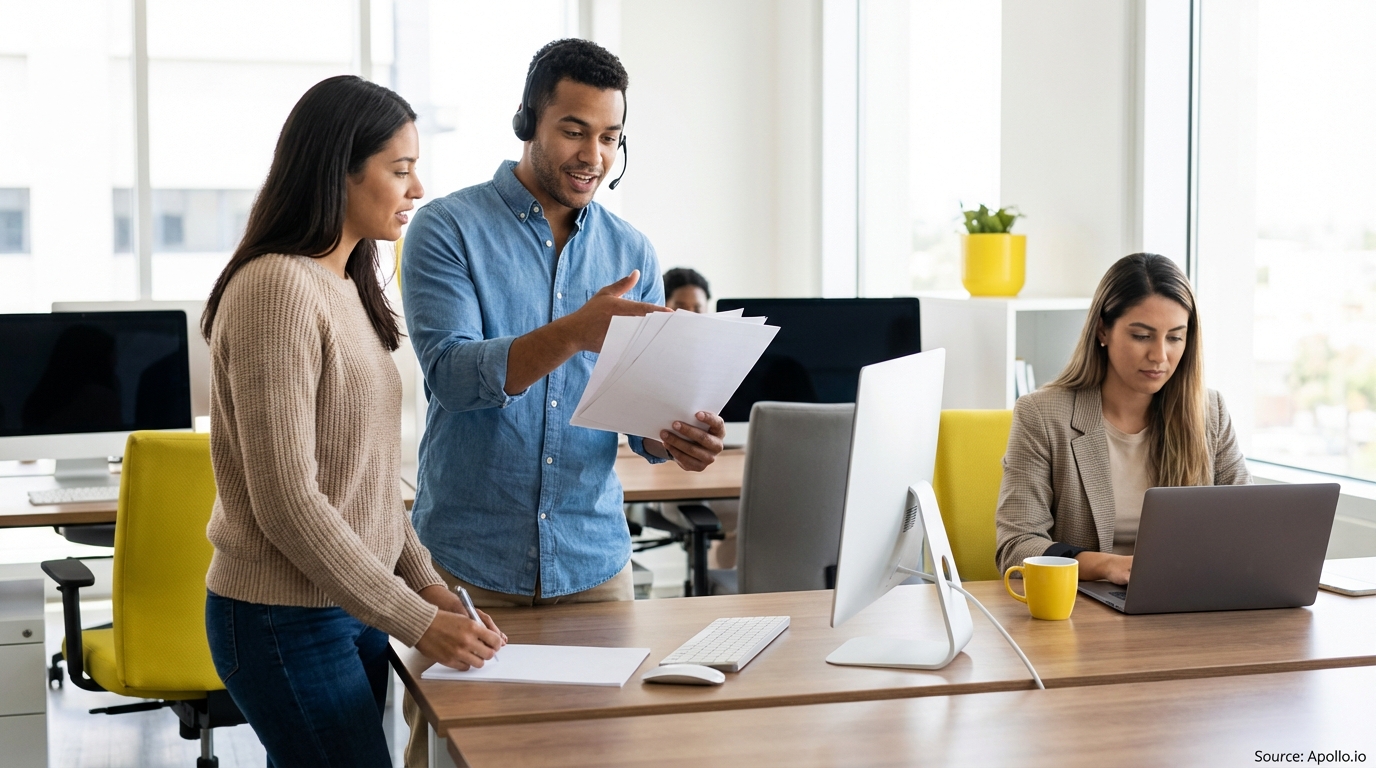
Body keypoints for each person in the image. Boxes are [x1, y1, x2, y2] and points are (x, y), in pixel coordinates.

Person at [398, 39, 726, 765]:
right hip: (467, 569)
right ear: (530, 122)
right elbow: (452, 376)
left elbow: (636, 417)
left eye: (610, 137)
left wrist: (676, 435)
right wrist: (576, 331)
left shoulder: (629, 248)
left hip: (592, 567)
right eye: (574, 130)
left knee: (599, 751)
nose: (593, 155)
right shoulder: (446, 229)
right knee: (455, 757)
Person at [199, 75, 504, 768]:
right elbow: (289, 503)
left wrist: (427, 584)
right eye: (400, 170)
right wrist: (417, 621)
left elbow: (364, 482)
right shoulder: (277, 288)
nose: (418, 188)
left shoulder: (346, 284)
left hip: (346, 605)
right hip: (283, 618)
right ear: (338, 171)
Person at [995, 253, 1250, 585]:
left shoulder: (1209, 412)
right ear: (1103, 329)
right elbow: (1016, 547)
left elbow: (1247, 527)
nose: (1160, 356)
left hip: (1184, 602)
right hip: (1084, 610)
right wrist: (1107, 567)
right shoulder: (1042, 415)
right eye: (1142, 336)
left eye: (1174, 337)